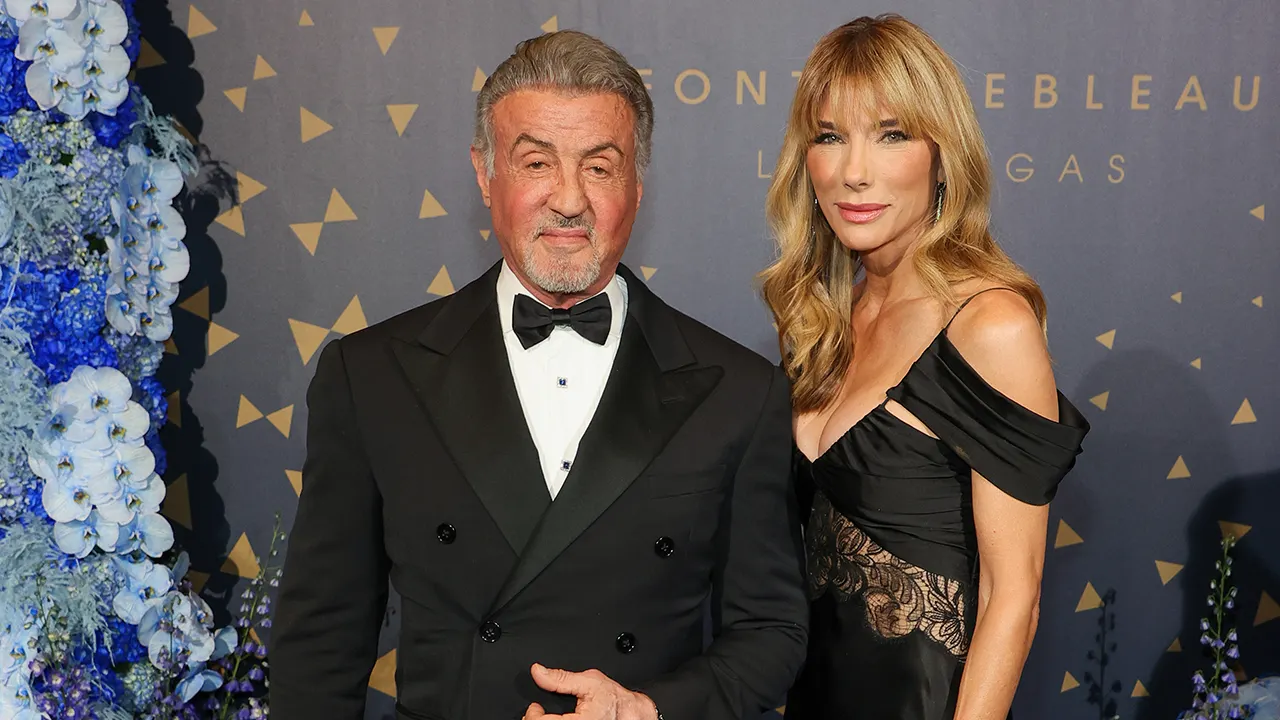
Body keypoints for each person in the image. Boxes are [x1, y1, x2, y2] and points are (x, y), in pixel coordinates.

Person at [270, 29, 808, 720]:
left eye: (599, 167)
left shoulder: (739, 392)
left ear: (637, 185)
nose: (569, 199)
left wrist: (647, 710)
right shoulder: (372, 376)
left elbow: (771, 632)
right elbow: (321, 641)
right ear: (484, 173)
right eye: (536, 162)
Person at [760, 15, 1090, 720]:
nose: (854, 171)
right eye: (829, 137)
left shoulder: (989, 327)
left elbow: (1013, 597)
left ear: (943, 155)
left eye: (891, 134)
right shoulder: (820, 325)